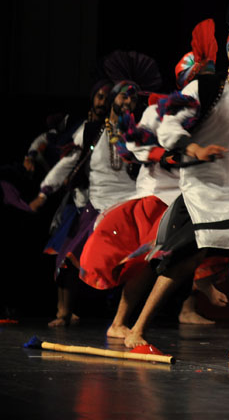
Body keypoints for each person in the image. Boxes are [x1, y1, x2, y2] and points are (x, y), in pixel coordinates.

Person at [124, 0, 229, 348]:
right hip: (203, 193)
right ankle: (136, 329)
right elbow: (168, 124)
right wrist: (192, 150)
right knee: (181, 264)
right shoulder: (205, 88)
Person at [79, 20, 220, 337]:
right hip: (157, 196)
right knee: (144, 262)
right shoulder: (158, 112)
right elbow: (136, 144)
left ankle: (195, 294)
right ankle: (122, 323)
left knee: (206, 243)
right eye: (200, 78)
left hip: (189, 198)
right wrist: (169, 155)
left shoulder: (213, 115)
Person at [32, 52, 161, 326]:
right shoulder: (92, 130)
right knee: (69, 255)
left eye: (134, 98)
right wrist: (44, 193)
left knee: (138, 260)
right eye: (124, 95)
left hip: (128, 205)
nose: (128, 101)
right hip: (97, 204)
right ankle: (63, 313)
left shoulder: (137, 132)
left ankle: (122, 318)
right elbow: (68, 163)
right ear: (114, 96)